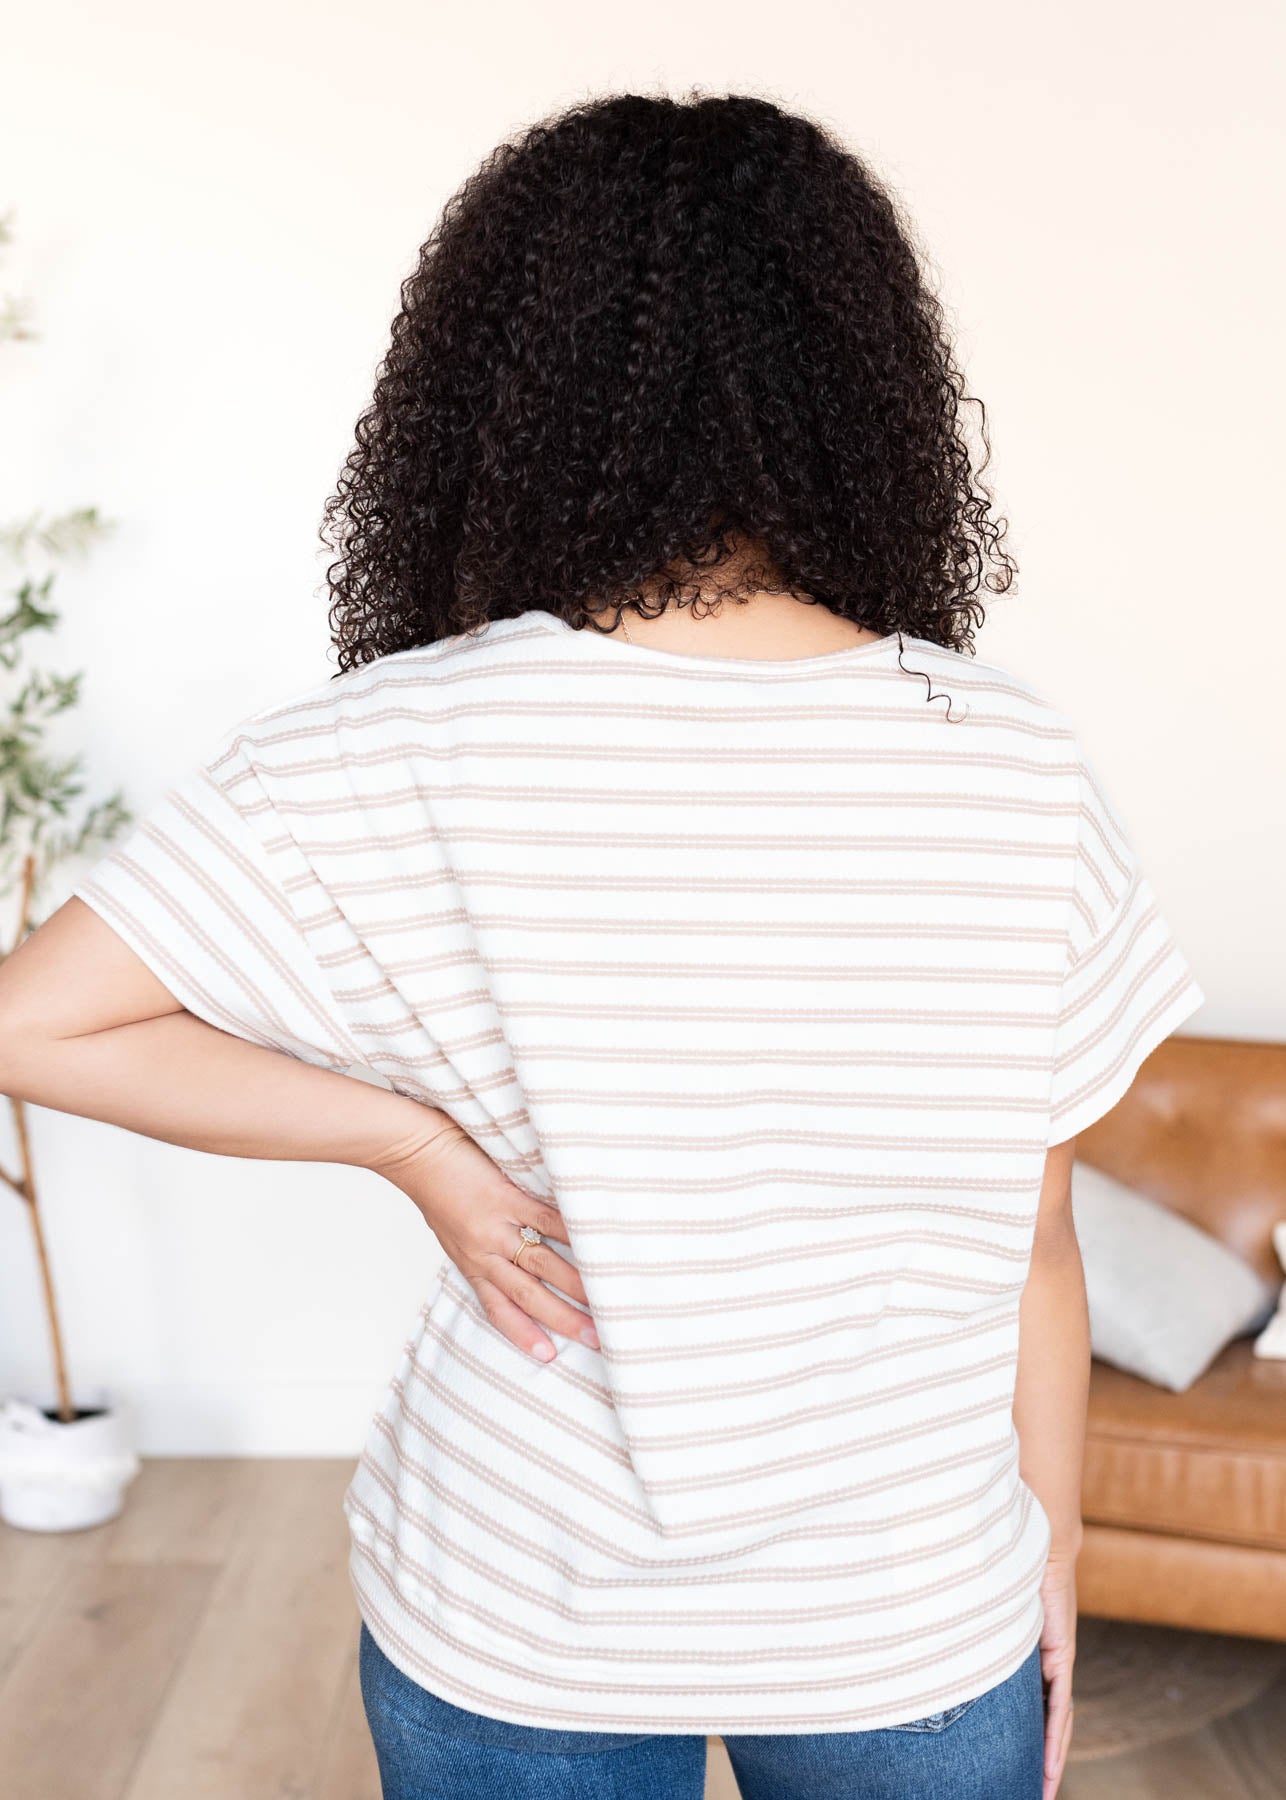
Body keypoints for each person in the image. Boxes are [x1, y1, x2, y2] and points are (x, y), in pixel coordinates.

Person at [0, 90, 1204, 1800]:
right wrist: (1055, 1551)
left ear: (497, 382)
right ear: (861, 382)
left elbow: (30, 1024)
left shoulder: (387, 742)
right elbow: (1032, 1249)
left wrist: (414, 1144)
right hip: (908, 1607)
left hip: (513, 1598)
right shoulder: (1005, 757)